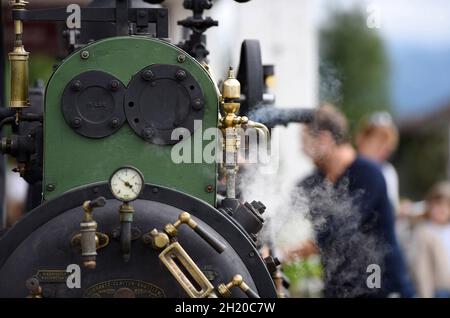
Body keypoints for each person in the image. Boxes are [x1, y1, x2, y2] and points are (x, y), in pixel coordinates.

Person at [295, 104, 414, 297]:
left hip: (378, 282)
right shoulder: (315, 180)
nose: (301, 148)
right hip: (340, 287)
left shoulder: (368, 174)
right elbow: (290, 212)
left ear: (324, 139)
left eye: (305, 141)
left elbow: (337, 229)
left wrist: (286, 253)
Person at [355, 112, 399, 210]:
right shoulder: (347, 167)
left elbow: (392, 209)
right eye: (377, 143)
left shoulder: (388, 172)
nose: (382, 150)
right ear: (360, 138)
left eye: (386, 147)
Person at [413, 182, 450, 298]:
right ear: (429, 206)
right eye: (438, 205)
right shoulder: (424, 232)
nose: (442, 209)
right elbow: (422, 270)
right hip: (439, 291)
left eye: (447, 205)